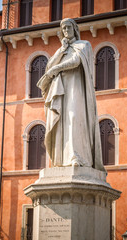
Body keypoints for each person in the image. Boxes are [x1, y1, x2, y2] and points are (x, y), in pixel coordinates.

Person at [37, 18, 105, 171]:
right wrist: (61, 50)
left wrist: (57, 68)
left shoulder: (84, 45)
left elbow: (76, 61)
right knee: (62, 122)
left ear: (75, 29)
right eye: (63, 29)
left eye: (68, 27)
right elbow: (49, 65)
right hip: (61, 90)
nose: (66, 31)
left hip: (76, 89)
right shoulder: (61, 50)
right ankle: (62, 159)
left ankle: (78, 156)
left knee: (74, 118)